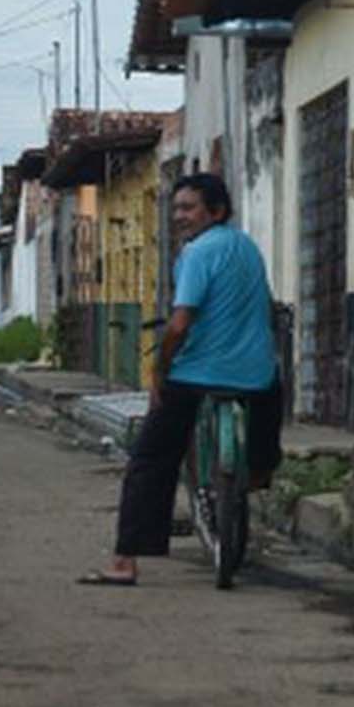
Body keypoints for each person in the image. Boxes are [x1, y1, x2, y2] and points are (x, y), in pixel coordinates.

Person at [80, 173, 283, 587]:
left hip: (196, 374)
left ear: (217, 211)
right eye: (176, 209)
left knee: (150, 461)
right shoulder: (247, 248)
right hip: (254, 374)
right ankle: (257, 473)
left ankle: (124, 562)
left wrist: (160, 372)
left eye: (189, 208)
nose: (179, 217)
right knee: (272, 398)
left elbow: (179, 324)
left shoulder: (196, 253)